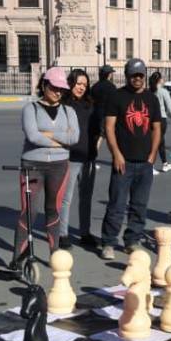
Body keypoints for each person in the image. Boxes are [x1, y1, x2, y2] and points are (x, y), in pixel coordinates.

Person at [14, 67, 79, 265]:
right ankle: (18, 258)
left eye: (61, 89)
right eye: (54, 87)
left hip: (59, 166)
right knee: (29, 211)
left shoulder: (69, 111)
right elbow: (32, 136)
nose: (58, 92)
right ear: (44, 85)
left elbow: (74, 138)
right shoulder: (30, 109)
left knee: (53, 209)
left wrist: (48, 135)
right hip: (32, 164)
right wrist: (61, 141)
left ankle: (55, 254)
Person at [100, 58, 161, 260]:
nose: (137, 78)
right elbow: (109, 128)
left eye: (140, 75)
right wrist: (116, 154)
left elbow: (156, 128)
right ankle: (109, 242)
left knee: (139, 205)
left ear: (144, 75)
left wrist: (152, 155)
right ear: (127, 76)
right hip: (123, 162)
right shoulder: (117, 97)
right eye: (134, 75)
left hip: (145, 163)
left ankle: (132, 241)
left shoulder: (152, 99)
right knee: (116, 205)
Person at [58, 68, 98, 250]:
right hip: (70, 158)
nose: (81, 87)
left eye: (85, 85)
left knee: (86, 197)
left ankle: (85, 233)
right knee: (66, 198)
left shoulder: (90, 104)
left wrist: (95, 147)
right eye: (78, 84)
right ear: (71, 83)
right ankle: (62, 234)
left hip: (88, 158)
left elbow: (97, 129)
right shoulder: (63, 105)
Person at [149, 71, 171, 174]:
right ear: (160, 80)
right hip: (161, 119)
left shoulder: (149, 91)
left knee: (160, 142)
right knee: (157, 142)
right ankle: (151, 166)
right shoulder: (163, 92)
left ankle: (165, 164)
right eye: (162, 78)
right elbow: (169, 107)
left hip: (151, 119)